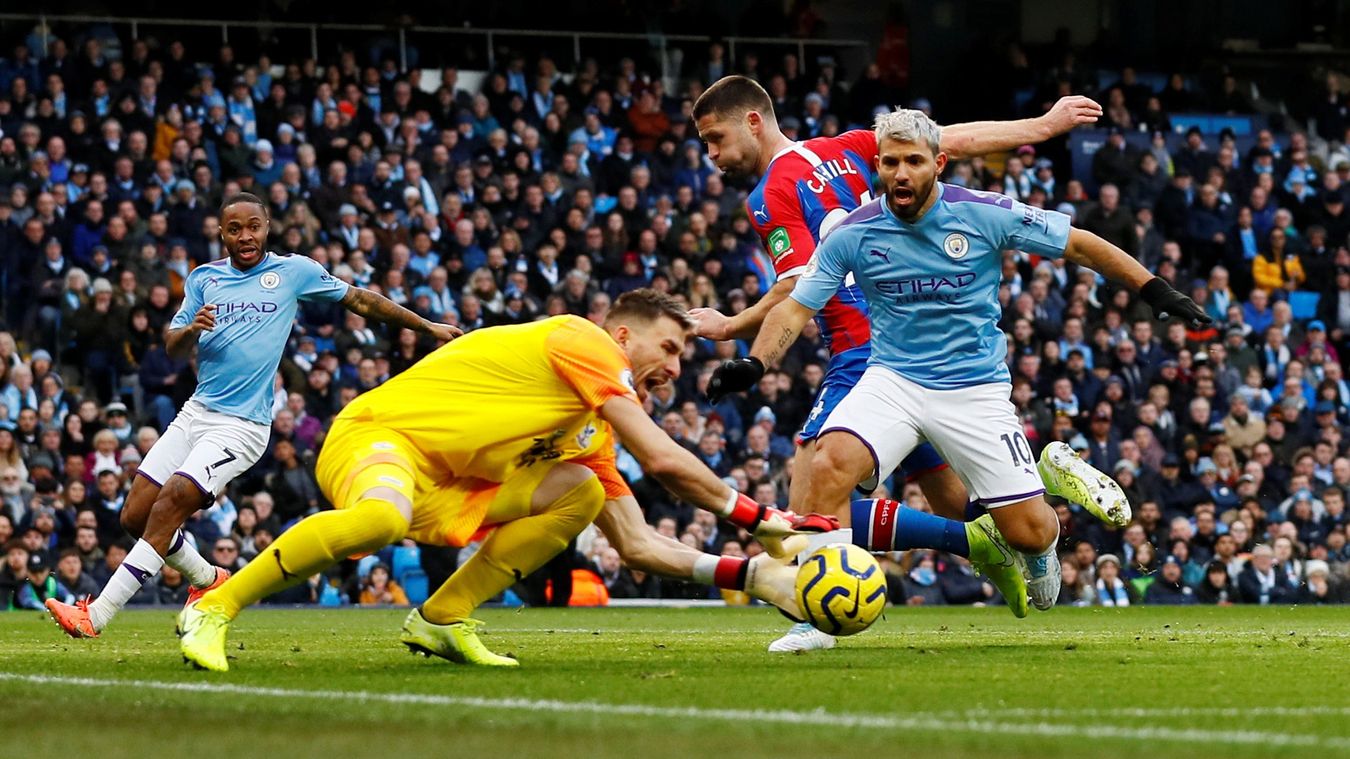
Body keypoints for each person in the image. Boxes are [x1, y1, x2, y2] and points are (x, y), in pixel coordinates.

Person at [712, 108, 1209, 630]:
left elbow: (1080, 244)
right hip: (891, 380)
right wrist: (754, 362)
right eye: (890, 164)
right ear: (876, 167)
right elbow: (796, 305)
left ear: (939, 164)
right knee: (826, 467)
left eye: (913, 162)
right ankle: (818, 622)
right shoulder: (853, 232)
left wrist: (1155, 289)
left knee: (1026, 531)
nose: (901, 174)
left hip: (974, 390)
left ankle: (1047, 486)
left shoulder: (984, 213)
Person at [178, 290, 832, 671]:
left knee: (583, 490)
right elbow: (660, 457)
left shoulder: (591, 429)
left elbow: (636, 544)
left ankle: (442, 617)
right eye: (669, 348)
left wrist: (750, 574)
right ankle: (212, 605)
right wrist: (756, 515)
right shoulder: (583, 339)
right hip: (381, 438)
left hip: (450, 485)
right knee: (379, 518)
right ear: (625, 333)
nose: (675, 366)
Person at [46, 192, 461, 638]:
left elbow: (360, 300)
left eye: (253, 226)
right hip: (196, 412)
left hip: (242, 427)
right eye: (234, 229)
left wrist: (427, 326)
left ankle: (96, 616)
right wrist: (190, 330)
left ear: (267, 227)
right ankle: (208, 580)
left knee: (171, 504)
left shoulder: (292, 272)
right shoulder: (203, 279)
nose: (245, 236)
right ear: (221, 233)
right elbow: (172, 346)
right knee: (134, 516)